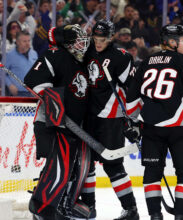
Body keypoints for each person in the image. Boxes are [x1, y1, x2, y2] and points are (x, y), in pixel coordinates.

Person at [126, 24, 183, 220]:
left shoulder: (146, 62)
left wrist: (133, 122)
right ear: (172, 42)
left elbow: (132, 97)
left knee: (152, 173)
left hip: (151, 128)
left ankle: (155, 216)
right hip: (179, 127)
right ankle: (181, 216)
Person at [23, 24, 91, 219]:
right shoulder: (54, 54)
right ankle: (42, 209)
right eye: (77, 40)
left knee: (66, 170)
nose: (82, 43)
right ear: (66, 42)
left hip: (72, 127)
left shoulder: (78, 60)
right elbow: (33, 80)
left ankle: (52, 206)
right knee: (58, 168)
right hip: (54, 125)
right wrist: (56, 107)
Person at [81, 19, 139, 220]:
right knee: (85, 163)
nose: (98, 42)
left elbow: (133, 90)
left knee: (112, 165)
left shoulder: (121, 57)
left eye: (103, 39)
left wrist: (133, 119)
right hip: (88, 117)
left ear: (111, 37)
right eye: (95, 38)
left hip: (111, 119)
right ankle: (89, 208)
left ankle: (130, 209)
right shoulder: (86, 52)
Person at [5, 30, 37, 96]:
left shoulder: (34, 54)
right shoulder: (10, 55)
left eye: (29, 41)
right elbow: (1, 72)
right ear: (17, 42)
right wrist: (10, 85)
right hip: (18, 93)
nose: (28, 43)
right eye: (24, 41)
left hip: (33, 92)